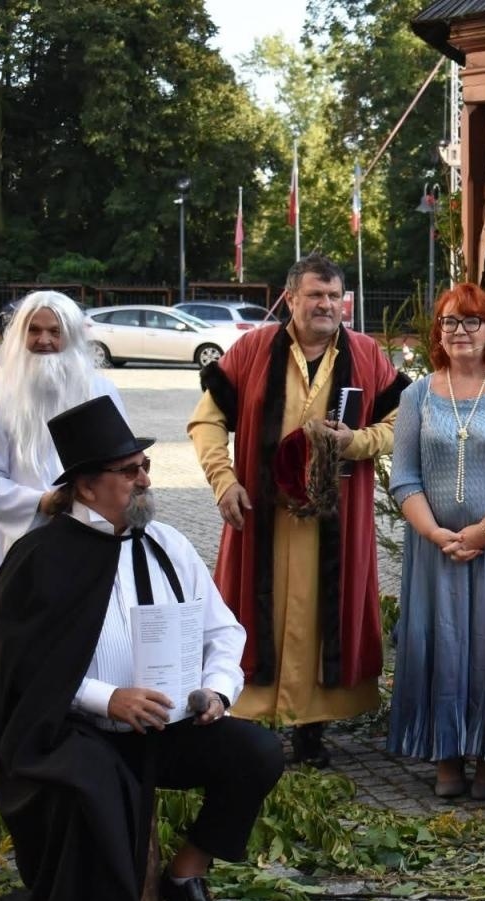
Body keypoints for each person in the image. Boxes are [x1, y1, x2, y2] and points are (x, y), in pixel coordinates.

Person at [0, 398, 284, 901]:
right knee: (92, 782)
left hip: (168, 728)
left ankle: (186, 873)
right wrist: (106, 697)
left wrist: (217, 690)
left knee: (258, 754)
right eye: (130, 470)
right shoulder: (40, 556)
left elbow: (224, 630)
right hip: (78, 731)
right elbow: (25, 672)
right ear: (87, 486)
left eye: (145, 465)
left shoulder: (166, 542)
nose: (145, 479)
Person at [188, 254, 409, 768]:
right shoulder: (251, 350)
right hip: (261, 516)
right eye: (315, 295)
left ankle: (313, 726)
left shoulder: (367, 354)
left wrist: (359, 440)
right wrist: (224, 482)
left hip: (336, 521)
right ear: (291, 298)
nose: (326, 305)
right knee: (254, 610)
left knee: (320, 612)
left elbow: (404, 421)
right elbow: (206, 421)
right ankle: (244, 717)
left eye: (334, 296)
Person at [386, 284, 485, 799]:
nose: (461, 331)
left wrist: (483, 530)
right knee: (442, 646)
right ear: (438, 332)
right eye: (450, 322)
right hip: (434, 554)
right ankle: (447, 754)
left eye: (472, 321)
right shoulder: (417, 394)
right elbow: (403, 476)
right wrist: (434, 532)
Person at [0, 290, 124, 580]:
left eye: (55, 331)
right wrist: (39, 502)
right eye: (34, 330)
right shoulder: (1, 398)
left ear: (72, 336)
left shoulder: (101, 392)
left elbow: (123, 465)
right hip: (27, 543)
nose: (44, 340)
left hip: (93, 537)